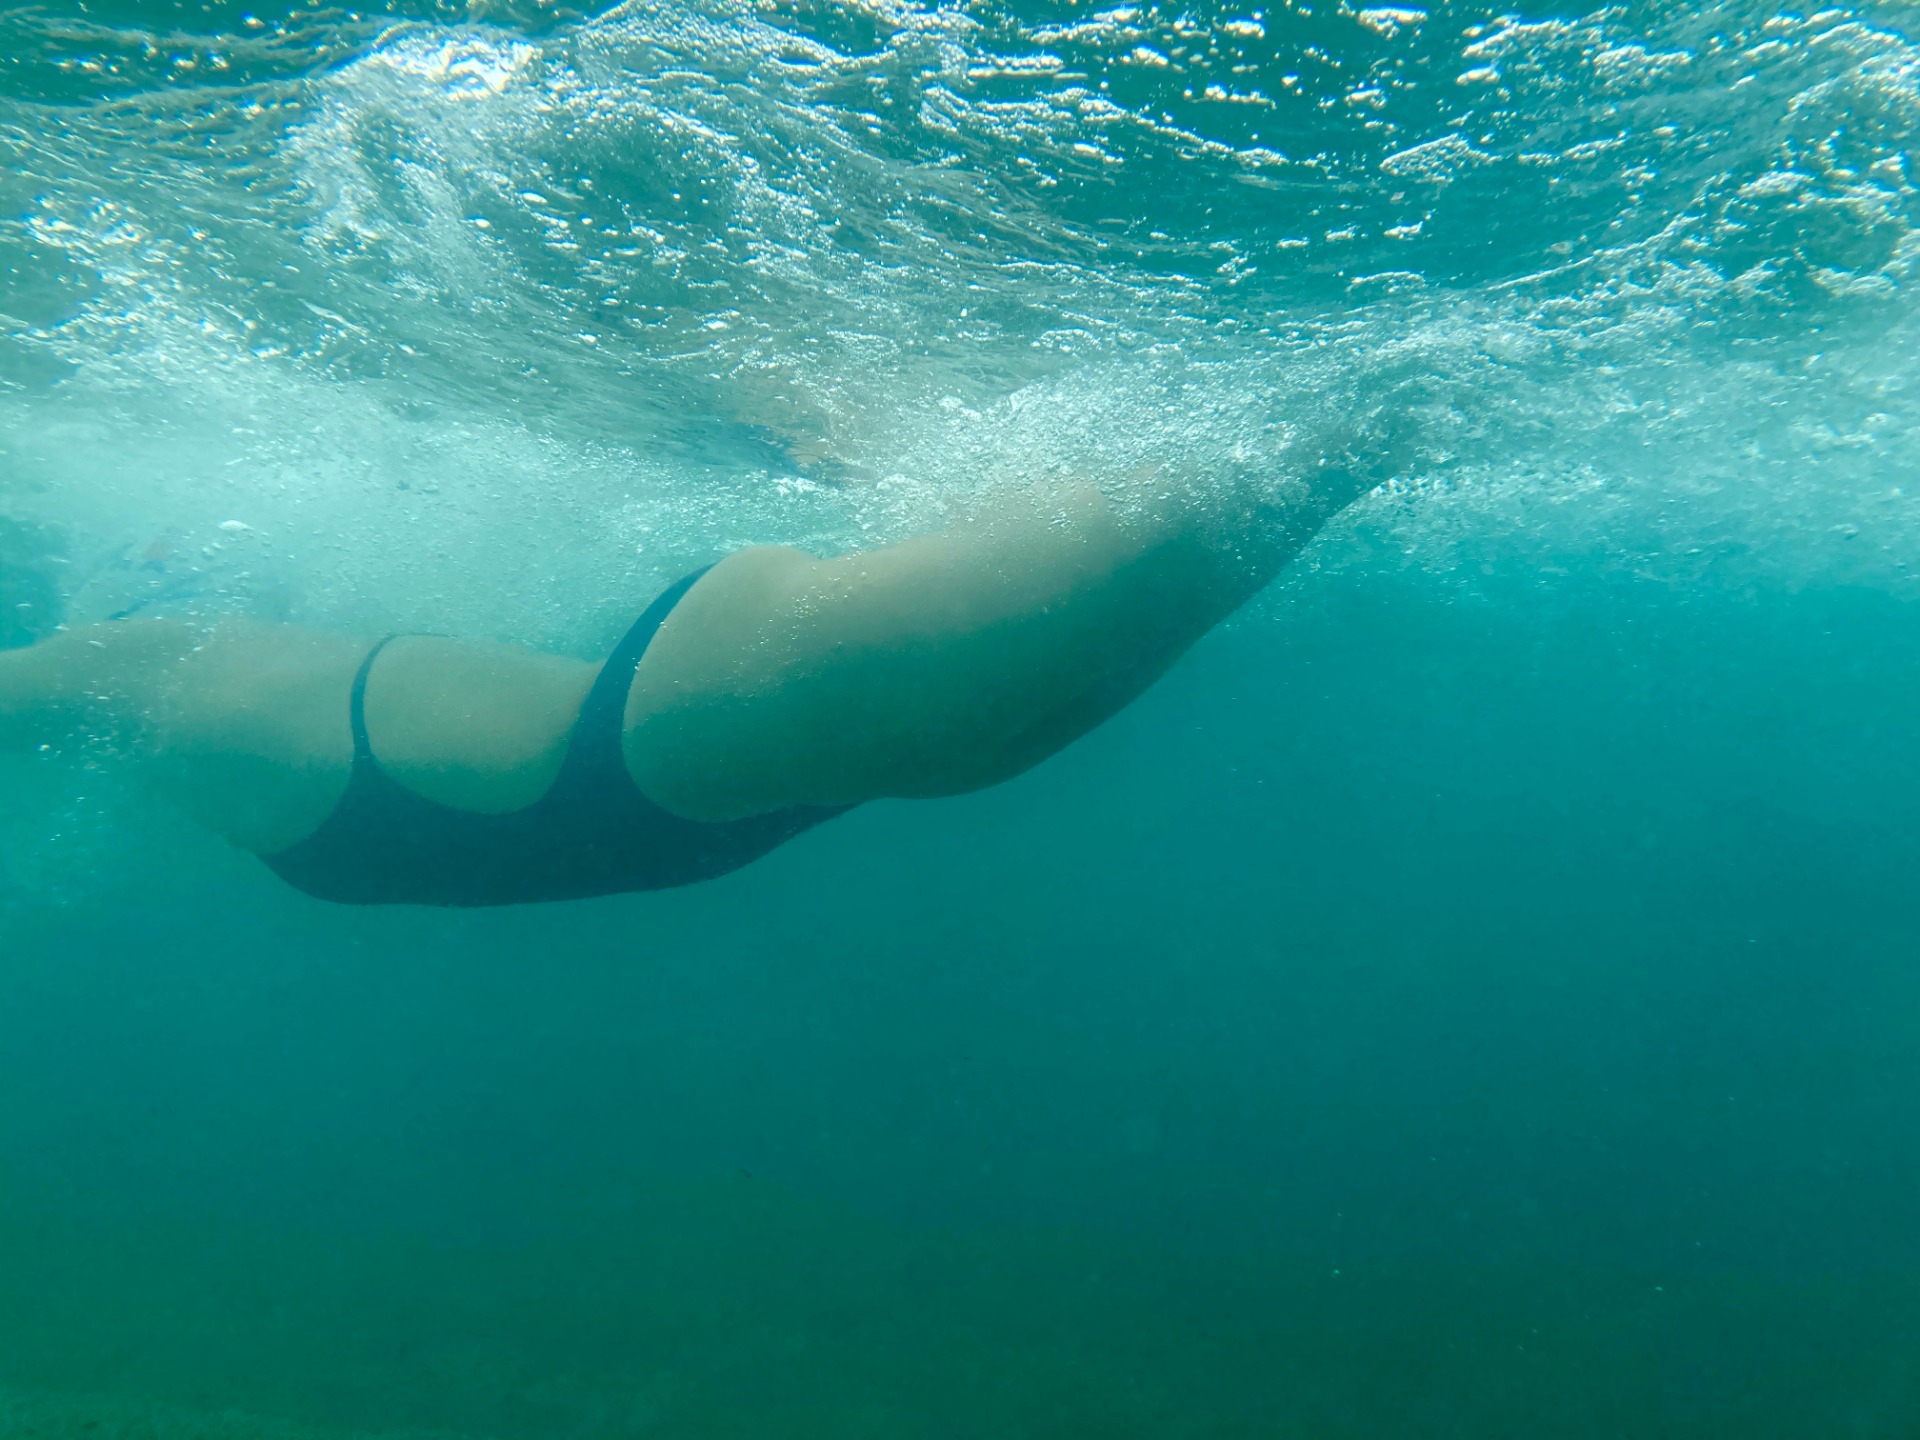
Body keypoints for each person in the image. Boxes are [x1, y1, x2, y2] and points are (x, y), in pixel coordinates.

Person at [0, 452, 1380, 907]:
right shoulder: (132, 660)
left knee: (1291, 475)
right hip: (694, 745)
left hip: (686, 760)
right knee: (1280, 483)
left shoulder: (190, 711)